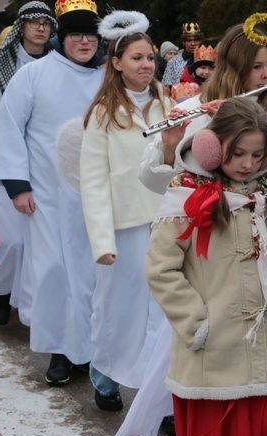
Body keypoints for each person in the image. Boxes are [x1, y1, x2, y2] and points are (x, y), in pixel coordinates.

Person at [145, 96, 267, 436]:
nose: (248, 164)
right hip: (214, 353)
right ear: (212, 146)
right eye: (237, 153)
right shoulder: (185, 193)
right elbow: (160, 269)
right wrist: (196, 322)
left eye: (258, 155)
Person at [0, 0, 105, 386]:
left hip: (95, 197)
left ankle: (87, 351)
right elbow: (8, 128)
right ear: (62, 38)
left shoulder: (107, 80)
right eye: (75, 34)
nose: (84, 41)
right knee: (53, 273)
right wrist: (17, 187)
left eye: (90, 34)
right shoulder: (33, 75)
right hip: (46, 198)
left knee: (92, 276)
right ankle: (59, 352)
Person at [79, 11, 171, 411]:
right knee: (120, 308)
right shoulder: (103, 114)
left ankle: (162, 397)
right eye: (136, 58)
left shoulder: (166, 103)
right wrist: (101, 240)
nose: (146, 65)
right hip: (124, 227)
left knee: (165, 310)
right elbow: (94, 181)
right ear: (116, 63)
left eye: (150, 58)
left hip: (166, 220)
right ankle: (106, 376)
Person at [0, 0, 58, 325]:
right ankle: (2, 289)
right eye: (33, 21)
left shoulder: (61, 64)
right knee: (16, 240)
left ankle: (36, 316)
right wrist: (8, 146)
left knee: (42, 245)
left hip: (48, 169)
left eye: (46, 22)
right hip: (6, 169)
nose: (41, 27)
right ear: (22, 26)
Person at [139, 20, 267, 195]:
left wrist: (237, 122)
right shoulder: (194, 108)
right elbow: (154, 184)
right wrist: (169, 150)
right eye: (257, 67)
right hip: (204, 217)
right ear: (232, 68)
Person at [161, 22, 203, 89]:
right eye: (189, 40)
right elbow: (166, 87)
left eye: (195, 40)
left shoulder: (207, 61)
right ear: (184, 42)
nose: (193, 43)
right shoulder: (173, 62)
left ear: (200, 41)